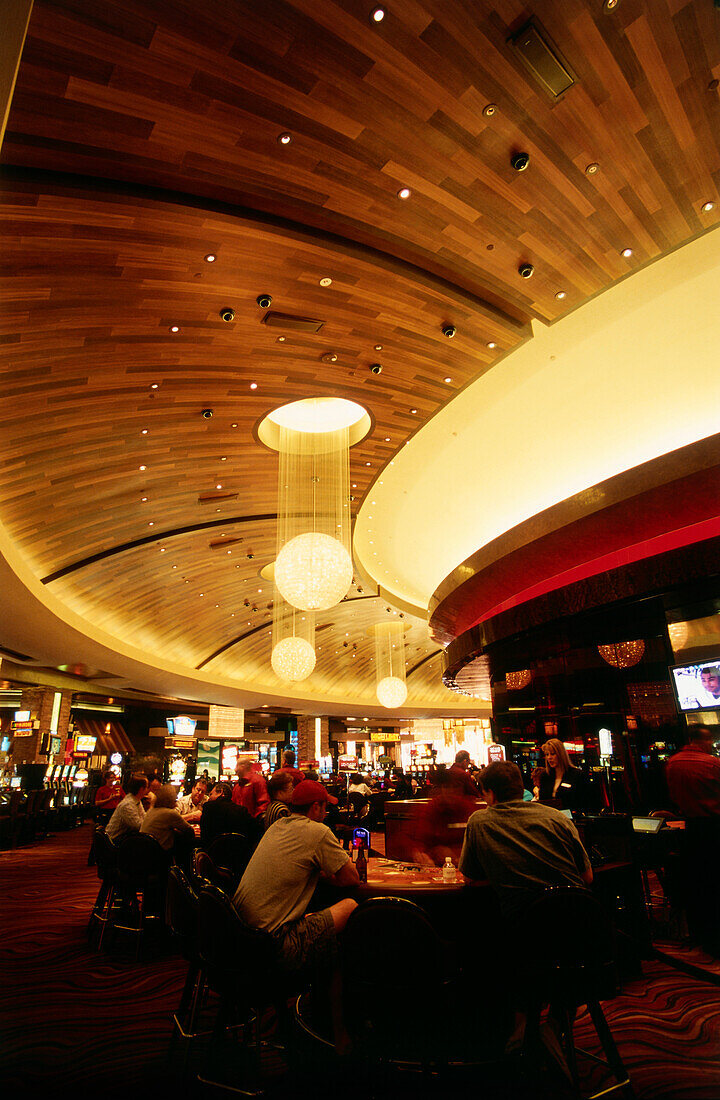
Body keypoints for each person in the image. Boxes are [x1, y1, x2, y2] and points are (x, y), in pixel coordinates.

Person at [233, 779, 359, 1050]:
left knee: (318, 921)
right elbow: (351, 878)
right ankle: (340, 1028)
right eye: (325, 808)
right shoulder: (317, 831)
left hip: (240, 940)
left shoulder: (277, 825)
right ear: (315, 808)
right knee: (350, 907)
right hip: (273, 947)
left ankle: (319, 1011)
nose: (326, 814)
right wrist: (327, 872)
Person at [460, 761, 593, 919]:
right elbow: (587, 877)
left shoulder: (480, 821)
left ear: (491, 793)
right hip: (582, 917)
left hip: (527, 927)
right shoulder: (557, 816)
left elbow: (470, 879)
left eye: (483, 795)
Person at [665, 725, 720, 956]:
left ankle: (702, 935)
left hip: (690, 828)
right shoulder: (713, 763)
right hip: (715, 828)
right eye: (708, 741)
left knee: (698, 883)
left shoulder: (672, 764)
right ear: (700, 740)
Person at [140, 783, 195, 854]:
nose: (176, 803)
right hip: (159, 853)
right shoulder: (170, 813)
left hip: (144, 852)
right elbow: (190, 831)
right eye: (175, 800)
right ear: (170, 800)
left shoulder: (151, 811)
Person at [199, 781, 256, 848]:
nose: (209, 798)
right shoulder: (241, 810)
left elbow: (204, 836)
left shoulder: (208, 807)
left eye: (211, 794)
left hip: (212, 853)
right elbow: (255, 831)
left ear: (220, 792)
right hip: (239, 853)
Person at [538, 738, 586, 810]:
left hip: (571, 818)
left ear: (561, 754)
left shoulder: (576, 774)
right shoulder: (545, 776)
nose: (549, 757)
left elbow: (583, 801)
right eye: (547, 754)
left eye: (553, 754)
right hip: (550, 818)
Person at [106, 774, 148, 844]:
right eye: (146, 787)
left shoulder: (136, 800)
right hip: (114, 840)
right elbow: (138, 826)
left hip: (124, 837)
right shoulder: (128, 804)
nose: (148, 790)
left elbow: (144, 818)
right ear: (141, 789)